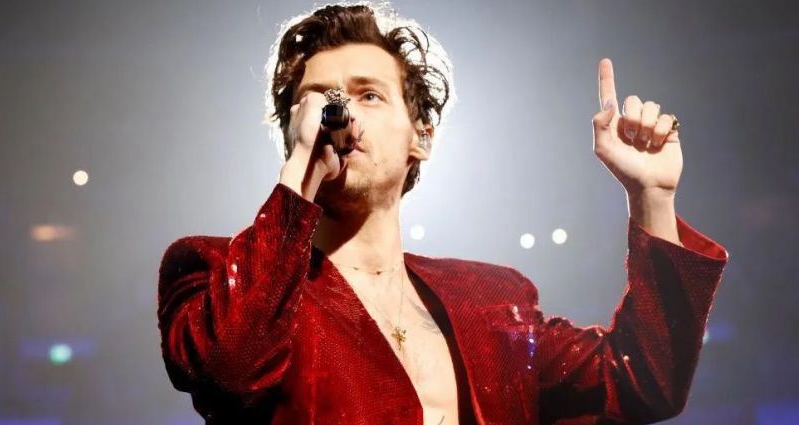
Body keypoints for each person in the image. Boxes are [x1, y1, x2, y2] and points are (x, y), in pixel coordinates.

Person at [156, 3, 729, 424]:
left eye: (368, 94)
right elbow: (230, 370)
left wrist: (652, 198)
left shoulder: (493, 300)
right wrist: (301, 177)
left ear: (421, 138)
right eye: (319, 97)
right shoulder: (212, 272)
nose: (339, 111)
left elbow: (642, 382)